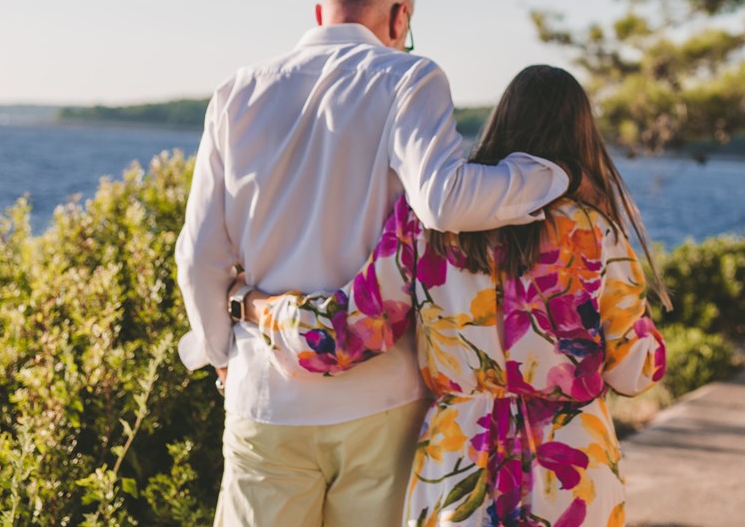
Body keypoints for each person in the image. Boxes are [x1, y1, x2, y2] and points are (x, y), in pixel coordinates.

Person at [175, 0, 569, 527]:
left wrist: (221, 358)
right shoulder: (409, 76)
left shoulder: (236, 91)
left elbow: (199, 255)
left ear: (321, 11)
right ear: (399, 15)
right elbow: (445, 201)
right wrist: (552, 175)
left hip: (266, 394)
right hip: (380, 396)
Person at [236, 65, 669, 527]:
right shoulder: (596, 230)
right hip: (573, 470)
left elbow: (349, 334)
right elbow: (634, 371)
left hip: (458, 461)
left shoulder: (426, 223)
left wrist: (255, 307)